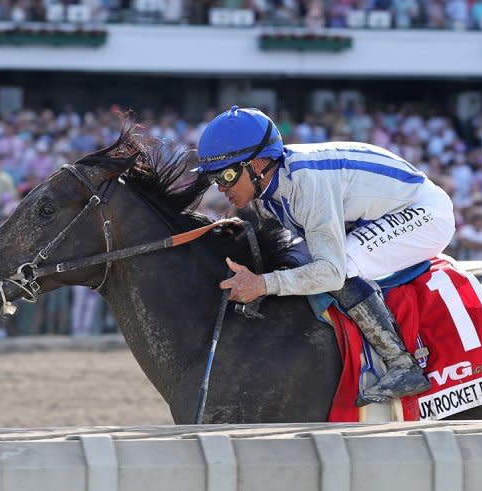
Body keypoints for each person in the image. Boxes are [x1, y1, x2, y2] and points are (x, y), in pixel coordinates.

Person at [195, 106, 456, 405]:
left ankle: (402, 363)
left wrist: (263, 285)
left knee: (341, 265)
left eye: (226, 175)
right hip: (379, 214)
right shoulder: (270, 195)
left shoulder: (306, 185)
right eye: (214, 178)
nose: (221, 187)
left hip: (425, 214)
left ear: (257, 164)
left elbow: (331, 271)